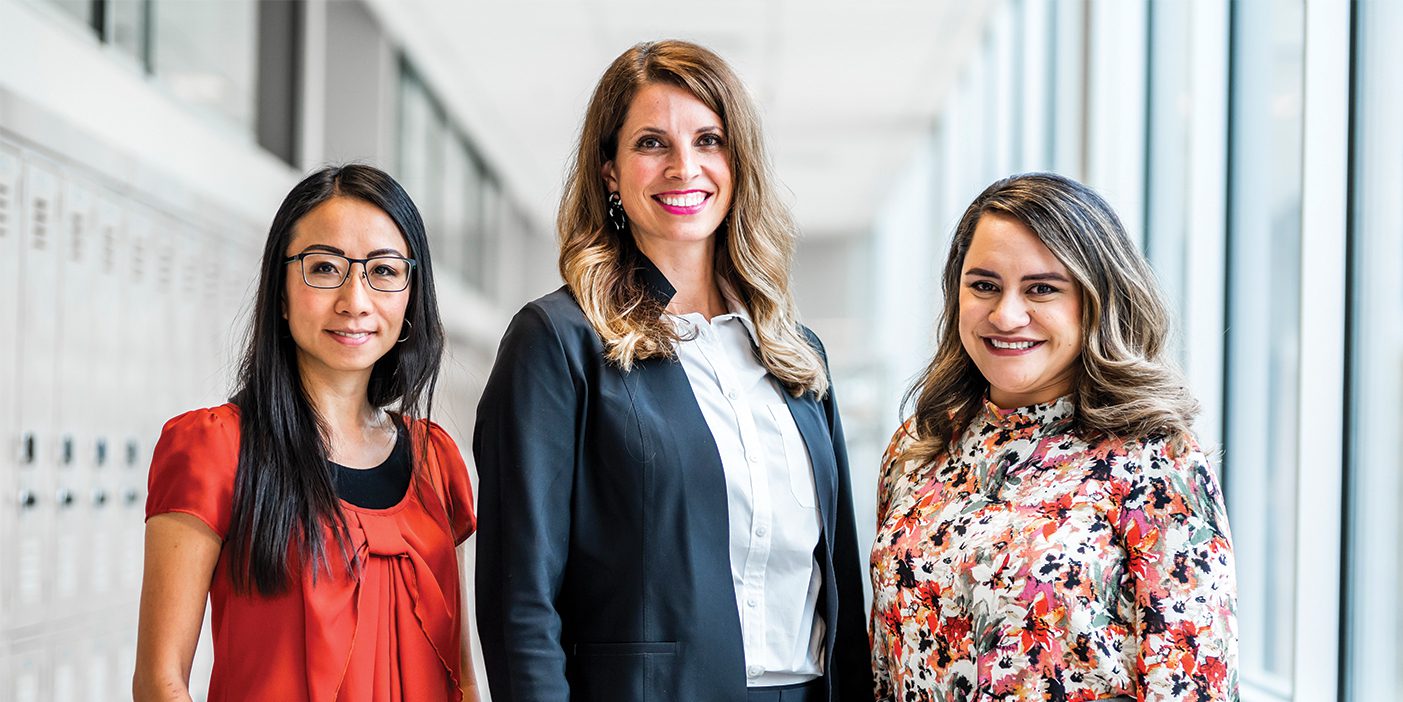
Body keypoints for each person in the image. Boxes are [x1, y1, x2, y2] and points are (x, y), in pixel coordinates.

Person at [473, 40, 872, 702]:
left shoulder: (795, 352)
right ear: (609, 171)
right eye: (652, 143)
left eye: (709, 139)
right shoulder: (559, 342)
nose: (684, 166)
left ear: (737, 162)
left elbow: (840, 584)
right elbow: (521, 601)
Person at [870, 173, 1238, 701]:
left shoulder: (1154, 462)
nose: (1007, 314)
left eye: (1042, 288)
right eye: (984, 285)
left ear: (1096, 300)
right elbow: (885, 666)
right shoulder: (919, 447)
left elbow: (1194, 681)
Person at [132, 165, 479, 702]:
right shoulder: (214, 449)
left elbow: (463, 675)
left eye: (384, 272)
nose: (355, 300)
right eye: (324, 268)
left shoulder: (437, 461)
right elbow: (161, 681)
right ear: (281, 291)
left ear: (413, 293)